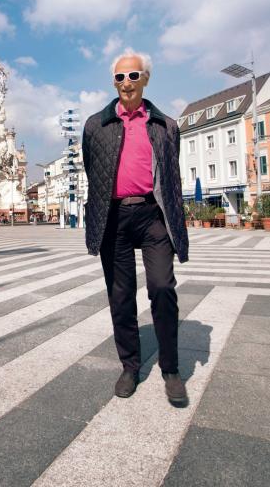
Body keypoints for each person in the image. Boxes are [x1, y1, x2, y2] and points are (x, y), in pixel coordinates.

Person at [82, 49, 189, 404]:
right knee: (120, 295)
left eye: (132, 76)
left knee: (161, 287)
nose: (126, 83)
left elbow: (171, 176)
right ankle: (129, 366)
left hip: (152, 215)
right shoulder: (95, 125)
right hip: (114, 217)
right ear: (113, 82)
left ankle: (171, 369)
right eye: (119, 77)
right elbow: (91, 168)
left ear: (145, 79)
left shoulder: (165, 125)